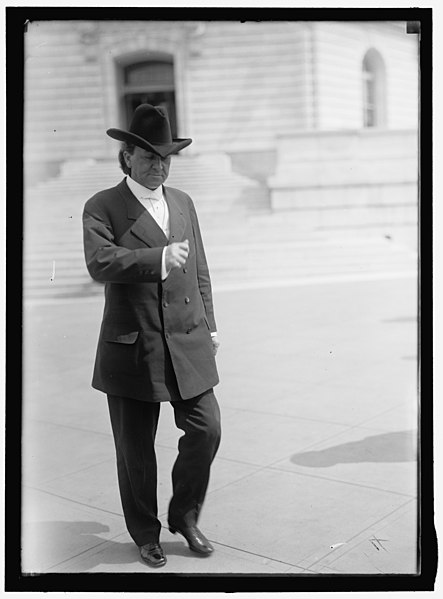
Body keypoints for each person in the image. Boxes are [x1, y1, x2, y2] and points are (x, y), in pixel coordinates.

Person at [82, 104, 221, 568]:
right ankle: (146, 533)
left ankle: (184, 516)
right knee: (136, 452)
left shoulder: (183, 202)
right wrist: (159, 258)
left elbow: (200, 269)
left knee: (206, 430)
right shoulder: (102, 205)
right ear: (126, 159)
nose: (158, 166)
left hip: (188, 338)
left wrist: (213, 324)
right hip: (132, 345)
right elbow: (100, 262)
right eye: (147, 158)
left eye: (164, 158)